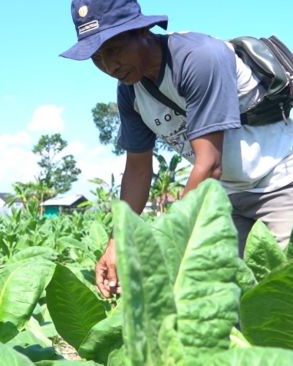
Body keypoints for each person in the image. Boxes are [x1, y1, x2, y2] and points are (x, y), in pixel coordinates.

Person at [59, 0, 293, 297]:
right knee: (224, 303)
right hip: (227, 197)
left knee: (281, 299)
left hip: (280, 183)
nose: (109, 66)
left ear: (142, 30)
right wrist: (117, 240)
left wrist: (166, 246)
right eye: (97, 57)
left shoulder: (199, 58)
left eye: (114, 49)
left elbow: (209, 165)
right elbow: (138, 168)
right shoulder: (130, 91)